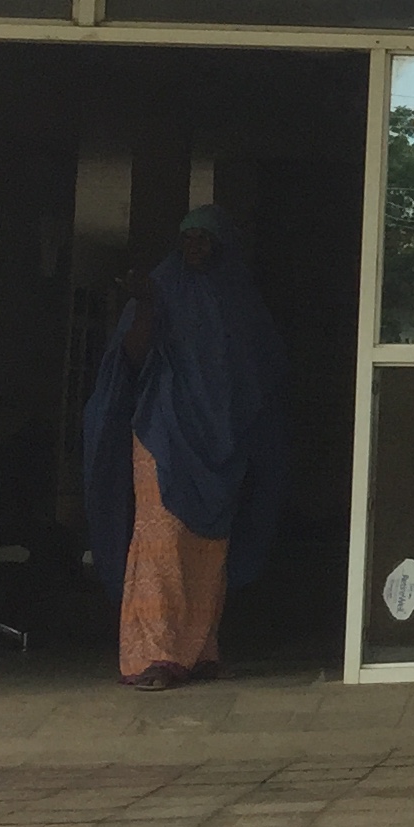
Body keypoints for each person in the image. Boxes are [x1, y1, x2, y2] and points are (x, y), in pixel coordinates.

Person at [82, 203, 290, 691]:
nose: (194, 246)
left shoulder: (238, 299)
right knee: (162, 540)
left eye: (204, 238)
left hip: (221, 443)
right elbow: (133, 356)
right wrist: (146, 305)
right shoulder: (162, 287)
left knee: (207, 551)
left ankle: (198, 652)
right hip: (164, 433)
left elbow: (261, 373)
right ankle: (153, 655)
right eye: (187, 237)